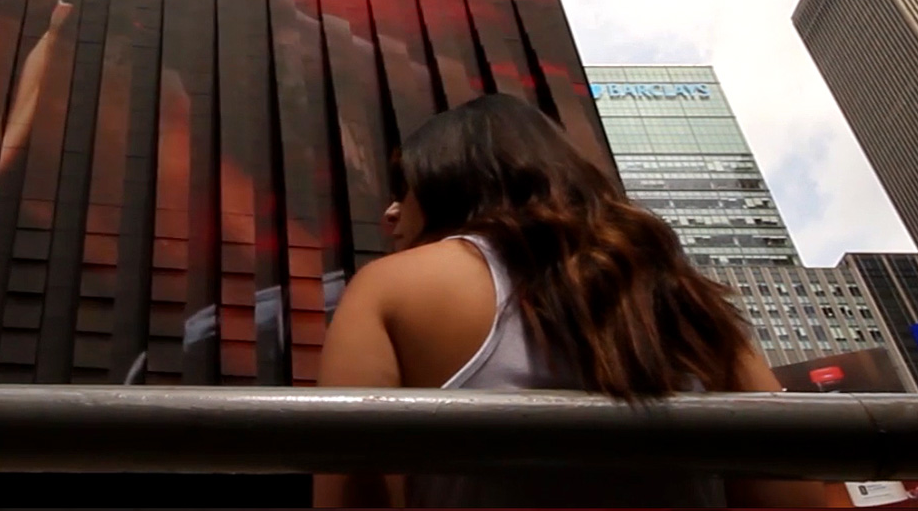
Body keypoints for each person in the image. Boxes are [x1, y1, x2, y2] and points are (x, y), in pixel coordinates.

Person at [313, 93, 828, 508]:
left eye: (407, 186)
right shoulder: (682, 296)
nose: (390, 211)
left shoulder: (390, 285)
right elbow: (792, 494)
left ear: (456, 182)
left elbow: (345, 495)